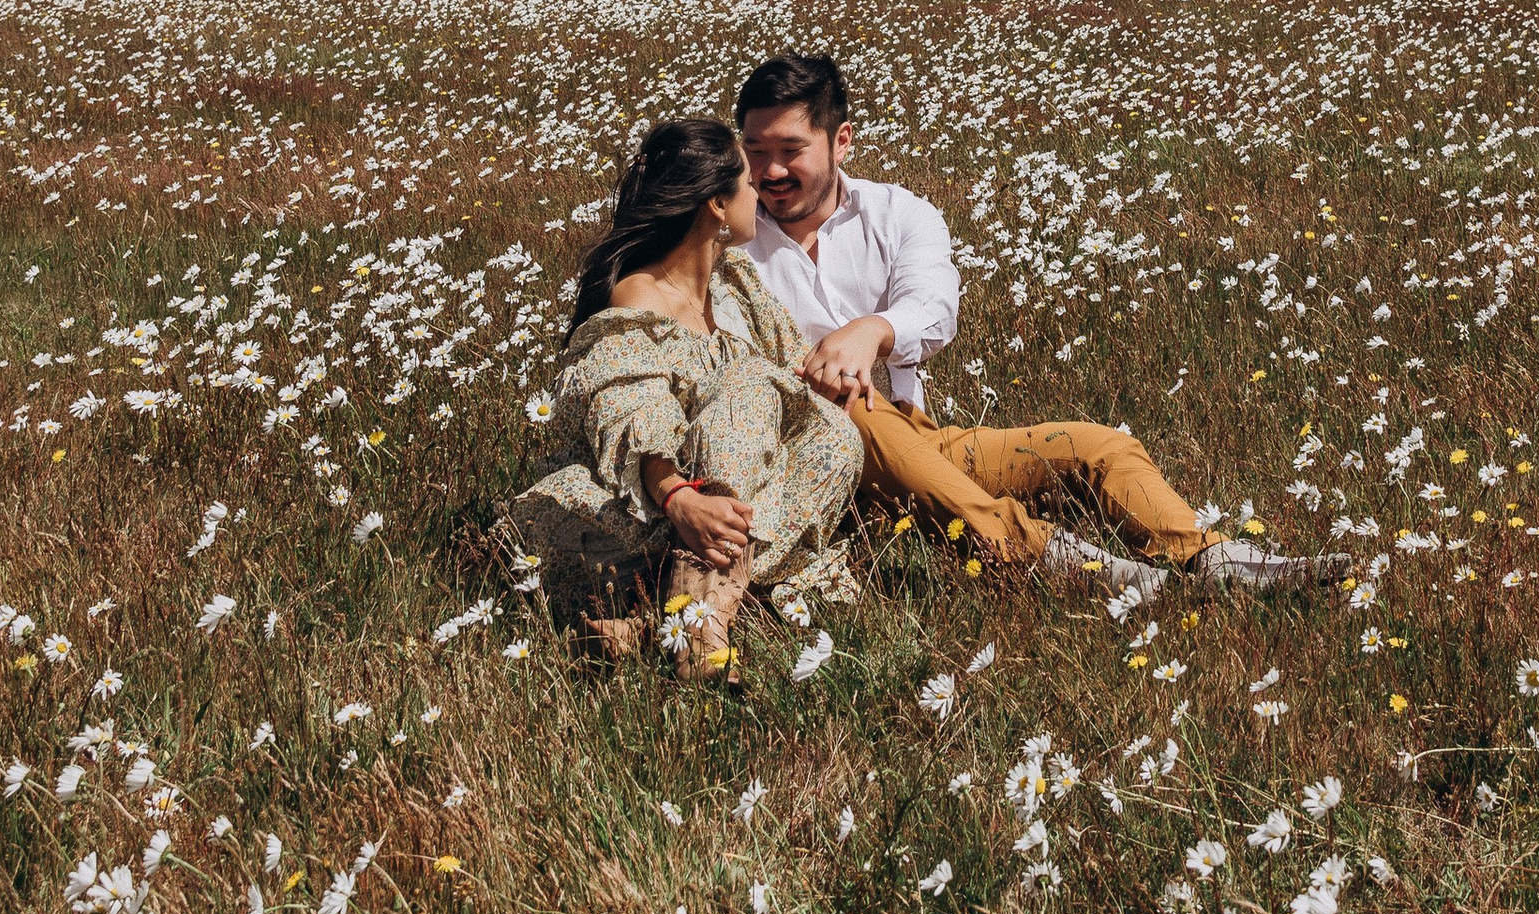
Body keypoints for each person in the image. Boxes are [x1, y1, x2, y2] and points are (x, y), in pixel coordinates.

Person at [734, 49, 1343, 596]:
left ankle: (1213, 561)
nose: (771, 173)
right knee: (846, 404)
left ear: (841, 141)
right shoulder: (728, 238)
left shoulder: (898, 214)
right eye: (755, 153)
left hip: (920, 441)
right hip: (811, 461)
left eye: (791, 151)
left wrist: (872, 330)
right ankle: (1059, 561)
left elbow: (936, 305)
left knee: (1099, 448)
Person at [490, 117, 864, 673]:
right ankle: (705, 617)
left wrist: (836, 380)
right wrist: (680, 500)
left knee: (834, 436)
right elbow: (626, 407)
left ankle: (662, 622)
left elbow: (791, 370)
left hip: (730, 506)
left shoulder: (734, 281)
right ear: (716, 204)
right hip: (645, 510)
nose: (758, 190)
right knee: (750, 392)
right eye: (745, 182)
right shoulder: (635, 298)